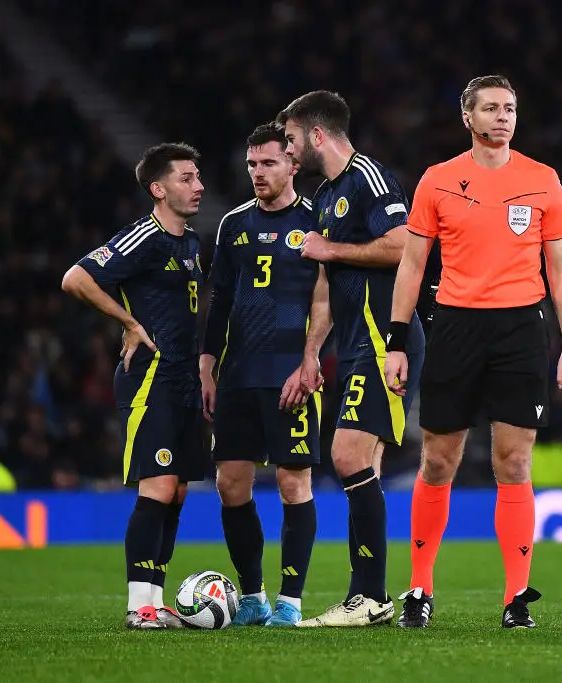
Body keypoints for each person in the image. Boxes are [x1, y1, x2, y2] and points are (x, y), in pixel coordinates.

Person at [383, 74, 562, 629]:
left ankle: (516, 598)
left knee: (514, 463)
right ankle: (419, 589)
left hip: (522, 330)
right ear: (467, 118)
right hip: (454, 327)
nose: (502, 117)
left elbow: (560, 267)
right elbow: (412, 264)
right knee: (438, 461)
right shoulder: (439, 181)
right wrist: (398, 341)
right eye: (491, 108)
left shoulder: (542, 180)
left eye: (510, 108)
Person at [275, 91, 426, 627]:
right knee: (362, 465)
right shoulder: (324, 195)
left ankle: (369, 596)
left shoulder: (369, 177)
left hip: (385, 340)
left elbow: (405, 246)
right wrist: (311, 354)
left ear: (317, 135)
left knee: (345, 455)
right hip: (353, 344)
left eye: (291, 140)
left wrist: (331, 250)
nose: (289, 152)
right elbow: (323, 287)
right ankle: (371, 597)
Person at [61, 142, 207, 629]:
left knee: (179, 490)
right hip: (152, 378)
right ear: (158, 189)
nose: (199, 185)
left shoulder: (189, 243)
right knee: (159, 485)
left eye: (198, 176)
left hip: (184, 379)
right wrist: (126, 320)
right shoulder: (142, 236)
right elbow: (75, 278)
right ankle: (137, 604)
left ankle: (156, 599)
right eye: (187, 178)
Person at [200, 122, 330, 627]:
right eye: (252, 164)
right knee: (231, 483)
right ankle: (252, 595)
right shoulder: (234, 224)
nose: (258, 172)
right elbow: (221, 302)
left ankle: (291, 601)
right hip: (238, 376)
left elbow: (326, 297)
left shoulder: (317, 218)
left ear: (293, 165)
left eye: (269, 163)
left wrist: (311, 360)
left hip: (291, 373)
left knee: (293, 482)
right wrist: (208, 365)